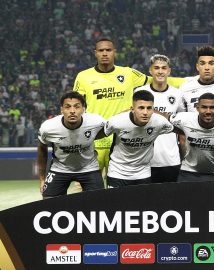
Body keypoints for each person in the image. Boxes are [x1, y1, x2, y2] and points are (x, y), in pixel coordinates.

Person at [73, 38, 184, 184]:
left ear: (114, 52)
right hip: (95, 139)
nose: (105, 53)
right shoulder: (83, 76)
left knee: (120, 189)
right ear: (95, 53)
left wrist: (191, 81)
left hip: (122, 140)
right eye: (101, 50)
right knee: (86, 189)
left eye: (108, 50)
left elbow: (154, 79)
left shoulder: (128, 74)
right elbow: (75, 105)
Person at [37, 92, 105, 199]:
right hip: (60, 168)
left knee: (99, 202)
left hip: (89, 168)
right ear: (61, 110)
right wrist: (42, 179)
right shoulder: (48, 128)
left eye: (77, 107)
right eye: (67, 107)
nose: (72, 111)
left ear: (83, 109)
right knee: (47, 202)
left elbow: (109, 130)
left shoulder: (96, 122)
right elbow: (42, 150)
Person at [104, 90, 174, 188]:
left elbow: (177, 129)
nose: (145, 112)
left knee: (142, 203)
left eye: (149, 108)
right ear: (132, 109)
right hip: (117, 171)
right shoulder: (117, 121)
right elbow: (100, 133)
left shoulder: (160, 122)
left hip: (143, 172)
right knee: (116, 203)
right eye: (141, 108)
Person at [169, 93, 214, 181]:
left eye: (212, 107)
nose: (208, 111)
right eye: (204, 107)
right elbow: (163, 118)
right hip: (189, 171)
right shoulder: (184, 119)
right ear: (197, 107)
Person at [134, 54, 182, 183]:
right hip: (144, 161)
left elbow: (182, 127)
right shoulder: (139, 92)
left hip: (171, 159)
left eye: (163, 68)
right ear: (150, 70)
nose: (160, 71)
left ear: (169, 71)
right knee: (147, 200)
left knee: (170, 200)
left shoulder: (177, 94)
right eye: (156, 68)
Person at [179, 45, 214, 116]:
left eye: (211, 63)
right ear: (197, 67)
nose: (207, 67)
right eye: (202, 63)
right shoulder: (185, 88)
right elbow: (181, 116)